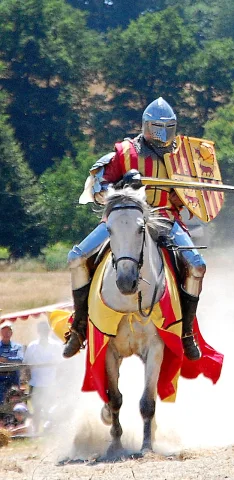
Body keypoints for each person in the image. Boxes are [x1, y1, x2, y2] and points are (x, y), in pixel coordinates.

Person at [64, 97, 206, 361]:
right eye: (157, 128)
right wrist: (123, 186)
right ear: (146, 126)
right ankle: (79, 328)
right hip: (125, 217)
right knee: (76, 258)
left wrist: (184, 192)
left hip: (165, 218)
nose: (163, 134)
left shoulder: (183, 156)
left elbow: (193, 197)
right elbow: (97, 187)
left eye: (168, 127)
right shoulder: (124, 152)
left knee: (197, 266)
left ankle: (187, 333)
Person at [23, 322, 62, 433]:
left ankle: (51, 430)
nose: (43, 332)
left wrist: (58, 381)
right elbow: (26, 365)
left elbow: (61, 365)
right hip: (36, 382)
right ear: (38, 331)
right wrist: (28, 380)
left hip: (51, 383)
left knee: (51, 408)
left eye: (45, 330)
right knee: (37, 408)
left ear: (48, 331)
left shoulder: (56, 345)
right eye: (41, 330)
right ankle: (36, 431)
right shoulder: (32, 346)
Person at [0, 321, 24, 404]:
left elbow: (20, 360)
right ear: (1, 332)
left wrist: (5, 360)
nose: (6, 333)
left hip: (13, 381)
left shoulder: (17, 347)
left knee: (14, 406)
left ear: (12, 333)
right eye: (4, 331)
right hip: (0, 382)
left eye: (8, 331)